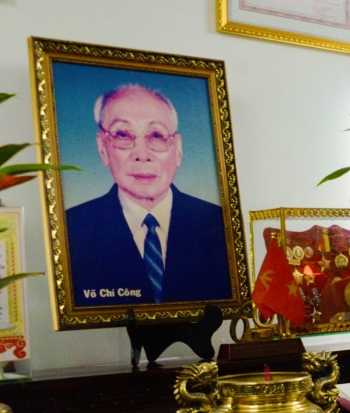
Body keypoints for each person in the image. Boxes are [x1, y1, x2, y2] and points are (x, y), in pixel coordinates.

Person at [65, 83, 233, 307]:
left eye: (156, 135)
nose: (142, 155)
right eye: (123, 134)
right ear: (103, 148)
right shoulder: (71, 230)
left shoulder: (221, 226)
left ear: (178, 150)